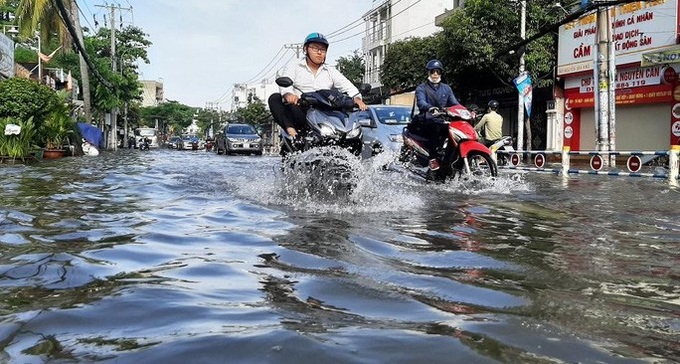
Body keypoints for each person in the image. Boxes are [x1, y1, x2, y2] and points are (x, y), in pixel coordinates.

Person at [268, 32, 368, 140]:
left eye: (323, 49)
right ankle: (292, 132)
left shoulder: (330, 70)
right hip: (301, 109)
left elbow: (349, 87)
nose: (319, 52)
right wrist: (289, 95)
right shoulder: (294, 65)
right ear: (306, 49)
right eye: (315, 48)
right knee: (275, 98)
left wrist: (357, 99)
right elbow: (285, 86)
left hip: (325, 111)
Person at [413, 59, 460, 170]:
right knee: (436, 127)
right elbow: (421, 102)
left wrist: (466, 110)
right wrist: (430, 107)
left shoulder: (446, 88)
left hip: (443, 119)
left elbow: (455, 103)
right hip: (427, 119)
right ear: (428, 72)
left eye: (438, 71)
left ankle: (449, 160)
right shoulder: (421, 88)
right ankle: (432, 158)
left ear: (441, 73)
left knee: (455, 131)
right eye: (432, 71)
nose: (435, 74)